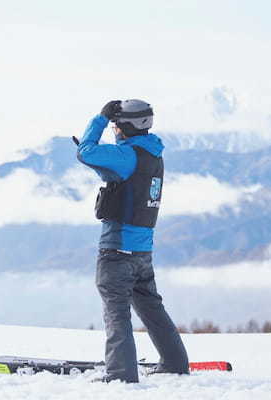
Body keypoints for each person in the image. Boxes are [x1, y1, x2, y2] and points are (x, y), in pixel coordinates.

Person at [76, 99, 189, 383]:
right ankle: (175, 362)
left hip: (117, 252)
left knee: (116, 313)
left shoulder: (127, 156)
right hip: (142, 250)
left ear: (126, 126)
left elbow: (85, 152)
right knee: (152, 308)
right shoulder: (152, 154)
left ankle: (120, 375)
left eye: (116, 124)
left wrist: (99, 118)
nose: (114, 128)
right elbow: (126, 182)